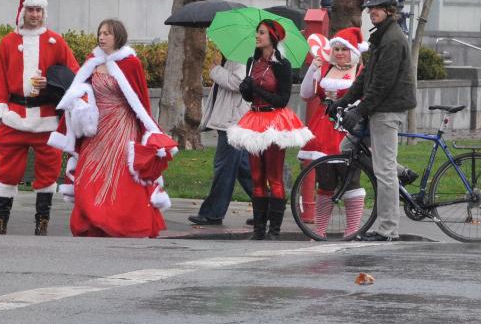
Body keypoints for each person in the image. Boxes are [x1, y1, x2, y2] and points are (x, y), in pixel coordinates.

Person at [48, 19, 174, 237]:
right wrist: (80, 103)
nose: (102, 37)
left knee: (120, 177)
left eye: (107, 33)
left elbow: (140, 101)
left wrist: (149, 131)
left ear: (118, 37)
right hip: (96, 129)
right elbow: (81, 90)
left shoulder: (130, 63)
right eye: (100, 33)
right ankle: (92, 220)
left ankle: (118, 222)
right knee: (88, 174)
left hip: (122, 127)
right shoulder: (92, 62)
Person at [0, 0, 80, 236]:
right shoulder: (8, 42)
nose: (35, 15)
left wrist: (50, 87)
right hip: (14, 116)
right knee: (7, 171)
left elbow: (74, 75)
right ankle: (0, 223)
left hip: (46, 118)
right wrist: (0, 111)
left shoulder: (56, 41)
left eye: (39, 10)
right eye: (31, 10)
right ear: (23, 12)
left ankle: (42, 224)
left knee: (48, 171)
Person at [337, 0, 415, 242]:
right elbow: (366, 76)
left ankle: (388, 229)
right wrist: (344, 101)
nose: (372, 12)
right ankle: (401, 172)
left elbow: (382, 84)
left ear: (390, 11)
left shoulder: (392, 39)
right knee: (348, 144)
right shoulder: (381, 36)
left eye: (377, 9)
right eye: (370, 9)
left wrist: (359, 110)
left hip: (387, 109)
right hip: (378, 108)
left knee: (383, 172)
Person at [227, 20, 313, 240]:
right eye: (257, 32)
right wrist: (246, 90)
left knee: (274, 177)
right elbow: (248, 96)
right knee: (257, 176)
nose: (257, 36)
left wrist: (256, 88)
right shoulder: (251, 61)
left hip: (275, 120)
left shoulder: (282, 65)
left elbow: (282, 99)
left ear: (272, 37)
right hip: (254, 120)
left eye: (262, 33)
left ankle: (274, 231)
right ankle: (258, 230)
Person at [299, 27, 368, 237]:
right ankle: (320, 229)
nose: (339, 53)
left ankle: (352, 229)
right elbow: (305, 94)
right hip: (323, 129)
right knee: (325, 180)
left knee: (351, 178)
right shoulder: (325, 68)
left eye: (344, 49)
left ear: (353, 52)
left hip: (349, 127)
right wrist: (313, 69)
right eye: (336, 48)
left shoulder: (361, 71)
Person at [187, 57, 254, 226]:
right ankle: (268, 206)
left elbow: (238, 83)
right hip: (230, 120)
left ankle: (213, 213)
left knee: (224, 167)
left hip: (232, 122)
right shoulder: (231, 60)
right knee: (243, 168)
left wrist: (215, 70)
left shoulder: (241, 59)